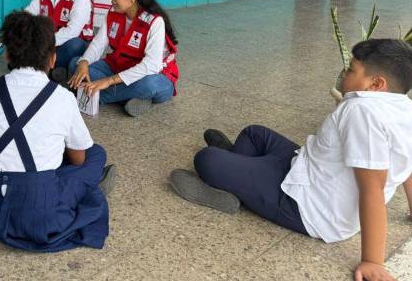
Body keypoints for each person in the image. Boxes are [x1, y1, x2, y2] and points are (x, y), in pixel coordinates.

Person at [169, 39, 412, 281]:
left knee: (207, 159)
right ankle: (236, 175)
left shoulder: (362, 111)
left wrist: (372, 261)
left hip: (309, 206)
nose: (344, 73)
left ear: (376, 84)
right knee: (255, 134)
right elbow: (408, 164)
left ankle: (230, 190)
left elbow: (372, 189)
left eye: (351, 70)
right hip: (307, 170)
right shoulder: (403, 107)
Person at [0, 10, 115, 252]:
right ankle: (88, 184)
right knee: (95, 154)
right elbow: (78, 158)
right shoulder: (63, 97)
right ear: (53, 59)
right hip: (37, 209)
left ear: (7, 55)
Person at [68, 0, 178, 117]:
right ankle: (129, 98)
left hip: (153, 76)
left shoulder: (154, 21)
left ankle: (97, 95)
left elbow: (151, 65)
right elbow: (98, 44)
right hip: (119, 67)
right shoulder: (113, 12)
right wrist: (84, 62)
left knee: (149, 85)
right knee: (75, 64)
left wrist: (109, 81)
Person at [25, 0, 94, 80]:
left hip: (69, 43)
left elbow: (72, 31)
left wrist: (43, 43)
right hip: (47, 44)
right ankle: (48, 68)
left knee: (75, 45)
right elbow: (27, 16)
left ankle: (40, 67)